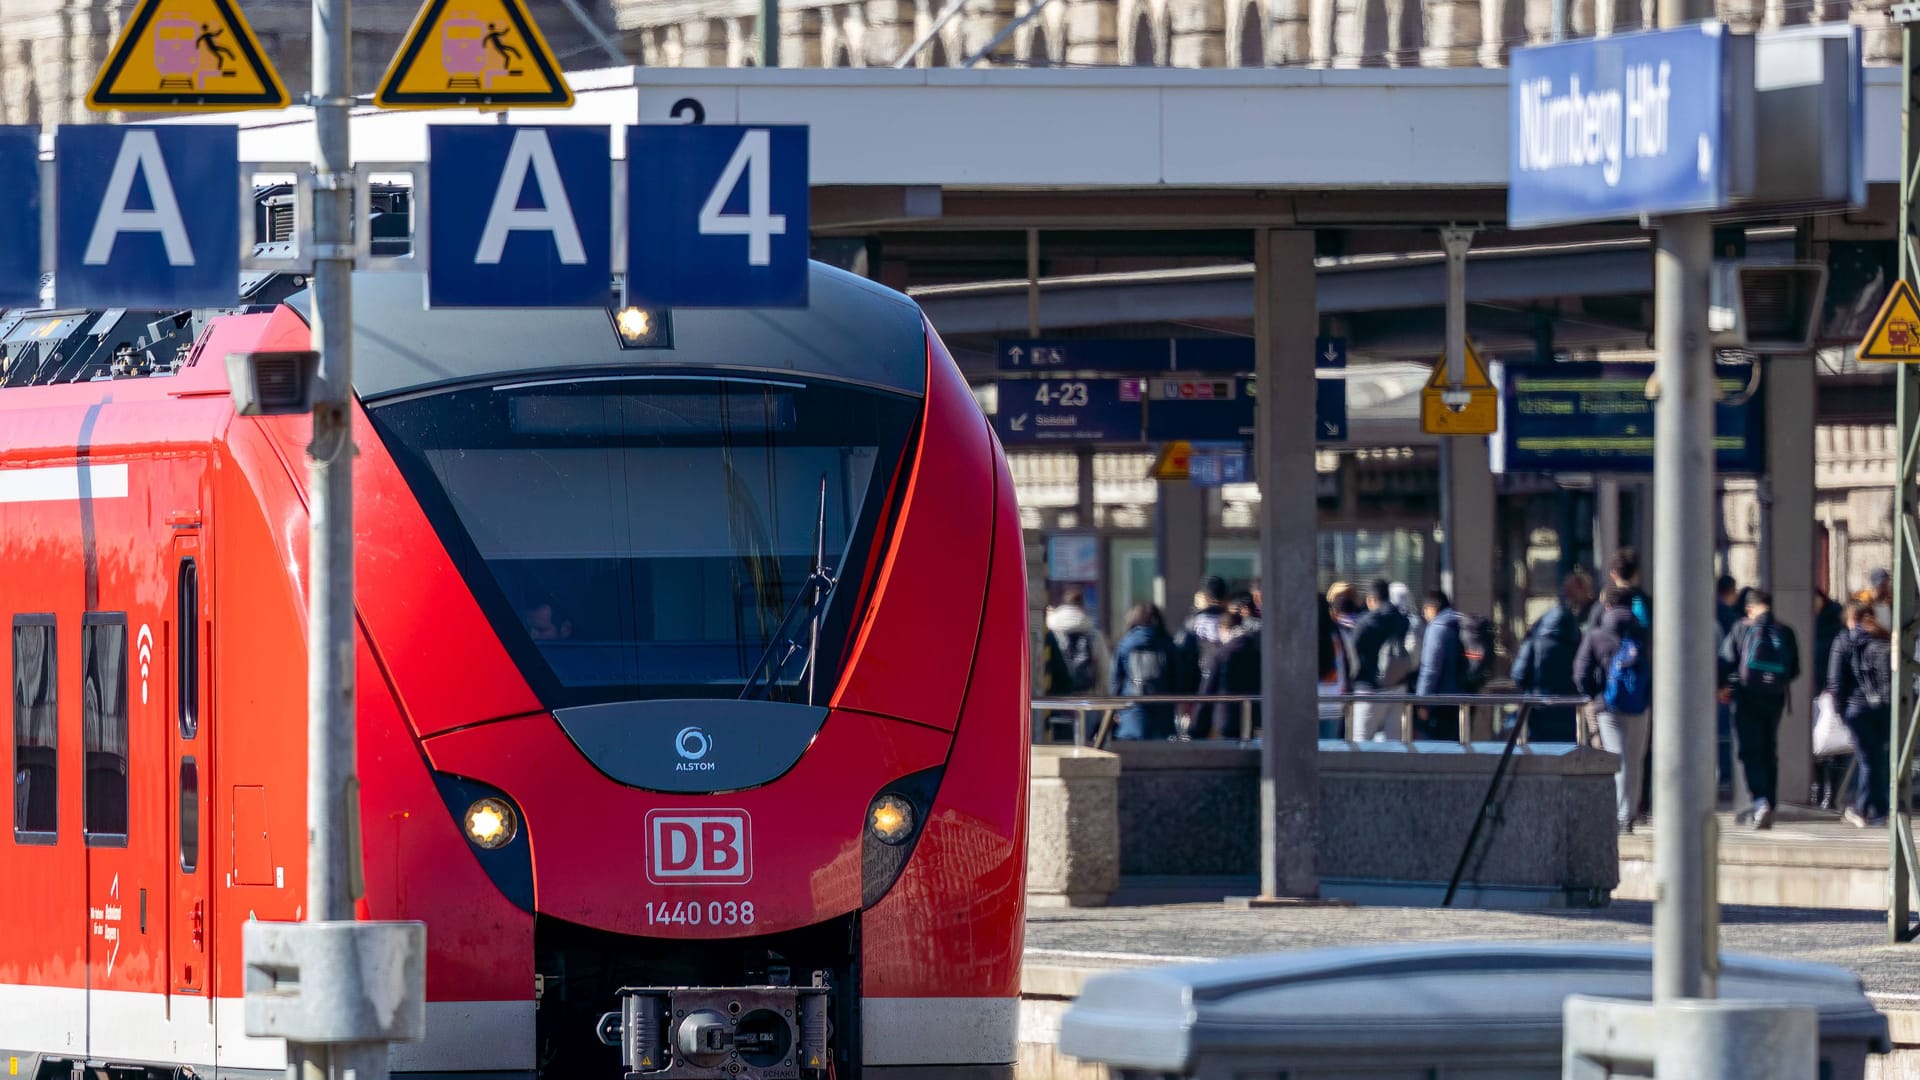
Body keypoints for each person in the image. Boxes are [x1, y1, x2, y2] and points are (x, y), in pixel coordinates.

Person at [1719, 588, 1803, 830]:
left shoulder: (1741, 628)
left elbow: (1726, 661)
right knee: (1769, 749)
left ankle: (1759, 801)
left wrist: (1723, 686)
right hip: (1775, 699)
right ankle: (1771, 804)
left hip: (1746, 698)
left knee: (1749, 751)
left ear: (1750, 607)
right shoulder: (1785, 631)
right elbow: (1795, 669)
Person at [1574, 586, 1651, 833]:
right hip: (1640, 705)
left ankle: (1621, 815)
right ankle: (1629, 813)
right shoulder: (1644, 634)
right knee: (1635, 760)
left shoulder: (1596, 635)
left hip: (1608, 707)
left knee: (1616, 758)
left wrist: (1594, 694)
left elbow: (1580, 672)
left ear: (1607, 606)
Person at [1829, 601, 1893, 827]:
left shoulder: (1843, 641)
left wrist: (1839, 712)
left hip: (1855, 709)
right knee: (1878, 759)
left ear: (1849, 618)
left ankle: (1861, 809)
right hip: (1883, 709)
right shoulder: (1882, 638)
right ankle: (1882, 809)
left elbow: (1835, 681)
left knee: (1867, 759)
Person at [1511, 572, 1591, 742]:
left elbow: (1518, 674)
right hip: (1569, 711)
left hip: (1539, 710)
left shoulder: (1535, 641)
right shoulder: (1578, 640)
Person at [1351, 579, 1413, 741]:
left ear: (1371, 599)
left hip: (1369, 689)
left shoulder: (1365, 623)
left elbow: (1352, 654)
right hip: (1398, 686)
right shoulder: (1403, 620)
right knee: (1394, 743)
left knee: (1361, 742)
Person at [1111, 603, 1177, 740]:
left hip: (1132, 709)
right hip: (1163, 710)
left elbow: (1116, 679)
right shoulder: (1168, 644)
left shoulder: (1125, 644)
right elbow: (1178, 678)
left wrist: (1114, 709)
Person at [1811, 587, 1850, 808]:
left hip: (1830, 691)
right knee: (1816, 745)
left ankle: (1831, 793)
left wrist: (1833, 688)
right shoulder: (1809, 621)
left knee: (1833, 744)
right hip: (1812, 691)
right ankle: (1819, 789)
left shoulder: (1834, 622)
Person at [1195, 609, 1261, 739]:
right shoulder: (1255, 651)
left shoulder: (1222, 654)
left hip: (1225, 717)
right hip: (1252, 716)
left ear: (1223, 628)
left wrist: (1197, 726)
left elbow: (1208, 690)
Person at [1414, 587, 1469, 741]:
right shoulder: (1459, 622)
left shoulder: (1437, 627)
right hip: (1463, 697)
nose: (1425, 615)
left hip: (1440, 701)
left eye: (1425, 610)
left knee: (1435, 748)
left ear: (1432, 608)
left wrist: (1422, 701)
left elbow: (1430, 668)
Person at [1045, 587, 1111, 696]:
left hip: (1056, 697)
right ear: (1082, 606)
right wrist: (1107, 696)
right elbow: (1105, 669)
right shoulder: (1093, 634)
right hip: (1087, 698)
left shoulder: (1052, 632)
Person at [1588, 547, 1650, 631]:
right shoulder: (1648, 604)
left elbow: (1590, 636)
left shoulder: (1602, 607)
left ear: (1613, 574)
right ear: (1636, 574)